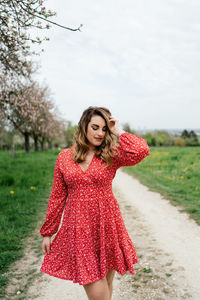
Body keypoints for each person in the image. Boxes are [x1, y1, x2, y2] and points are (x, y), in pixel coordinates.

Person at [40, 106, 150, 300]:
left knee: (107, 283)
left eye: (104, 129)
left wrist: (118, 131)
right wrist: (49, 231)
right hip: (80, 230)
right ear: (84, 127)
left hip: (108, 225)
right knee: (98, 292)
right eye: (95, 127)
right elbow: (57, 196)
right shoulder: (64, 158)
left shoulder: (110, 154)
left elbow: (141, 149)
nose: (100, 133)